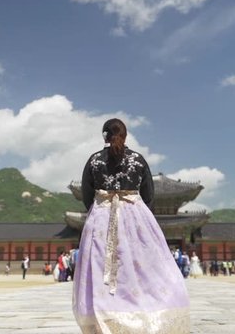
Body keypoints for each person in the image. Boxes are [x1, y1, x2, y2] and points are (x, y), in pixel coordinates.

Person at [73, 119, 190, 333]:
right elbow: (149, 195)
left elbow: (87, 195)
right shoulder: (138, 159)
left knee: (101, 269)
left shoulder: (94, 160)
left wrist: (102, 207)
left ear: (104, 136)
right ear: (125, 136)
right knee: (140, 267)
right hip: (135, 216)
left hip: (101, 218)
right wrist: (136, 211)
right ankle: (144, 311)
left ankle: (104, 316)